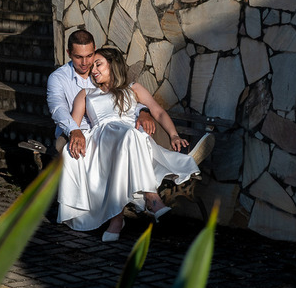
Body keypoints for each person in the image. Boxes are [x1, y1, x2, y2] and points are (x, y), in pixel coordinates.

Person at [57, 47, 199, 241]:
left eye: (98, 65)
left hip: (131, 141)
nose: (93, 70)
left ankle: (117, 219)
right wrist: (75, 136)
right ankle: (151, 197)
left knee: (130, 136)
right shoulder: (86, 94)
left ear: (112, 64)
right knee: (127, 135)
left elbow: (158, 111)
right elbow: (73, 124)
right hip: (102, 138)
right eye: (92, 67)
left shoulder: (133, 88)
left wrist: (174, 135)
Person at [46, 29, 155, 160]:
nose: (85, 63)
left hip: (108, 131)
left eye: (89, 55)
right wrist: (74, 130)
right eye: (78, 57)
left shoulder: (101, 73)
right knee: (65, 151)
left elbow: (120, 97)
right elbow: (58, 109)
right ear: (69, 53)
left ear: (95, 50)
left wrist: (143, 110)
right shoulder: (57, 78)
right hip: (75, 129)